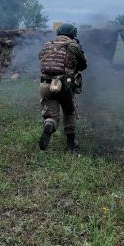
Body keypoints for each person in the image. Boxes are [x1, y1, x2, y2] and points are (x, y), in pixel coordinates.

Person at [38, 22, 87, 151]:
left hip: (45, 84)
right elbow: (83, 65)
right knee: (69, 112)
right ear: (73, 34)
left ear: (58, 33)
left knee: (51, 114)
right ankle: (70, 146)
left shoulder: (47, 45)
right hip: (65, 85)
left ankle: (49, 125)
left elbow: (41, 60)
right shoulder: (73, 46)